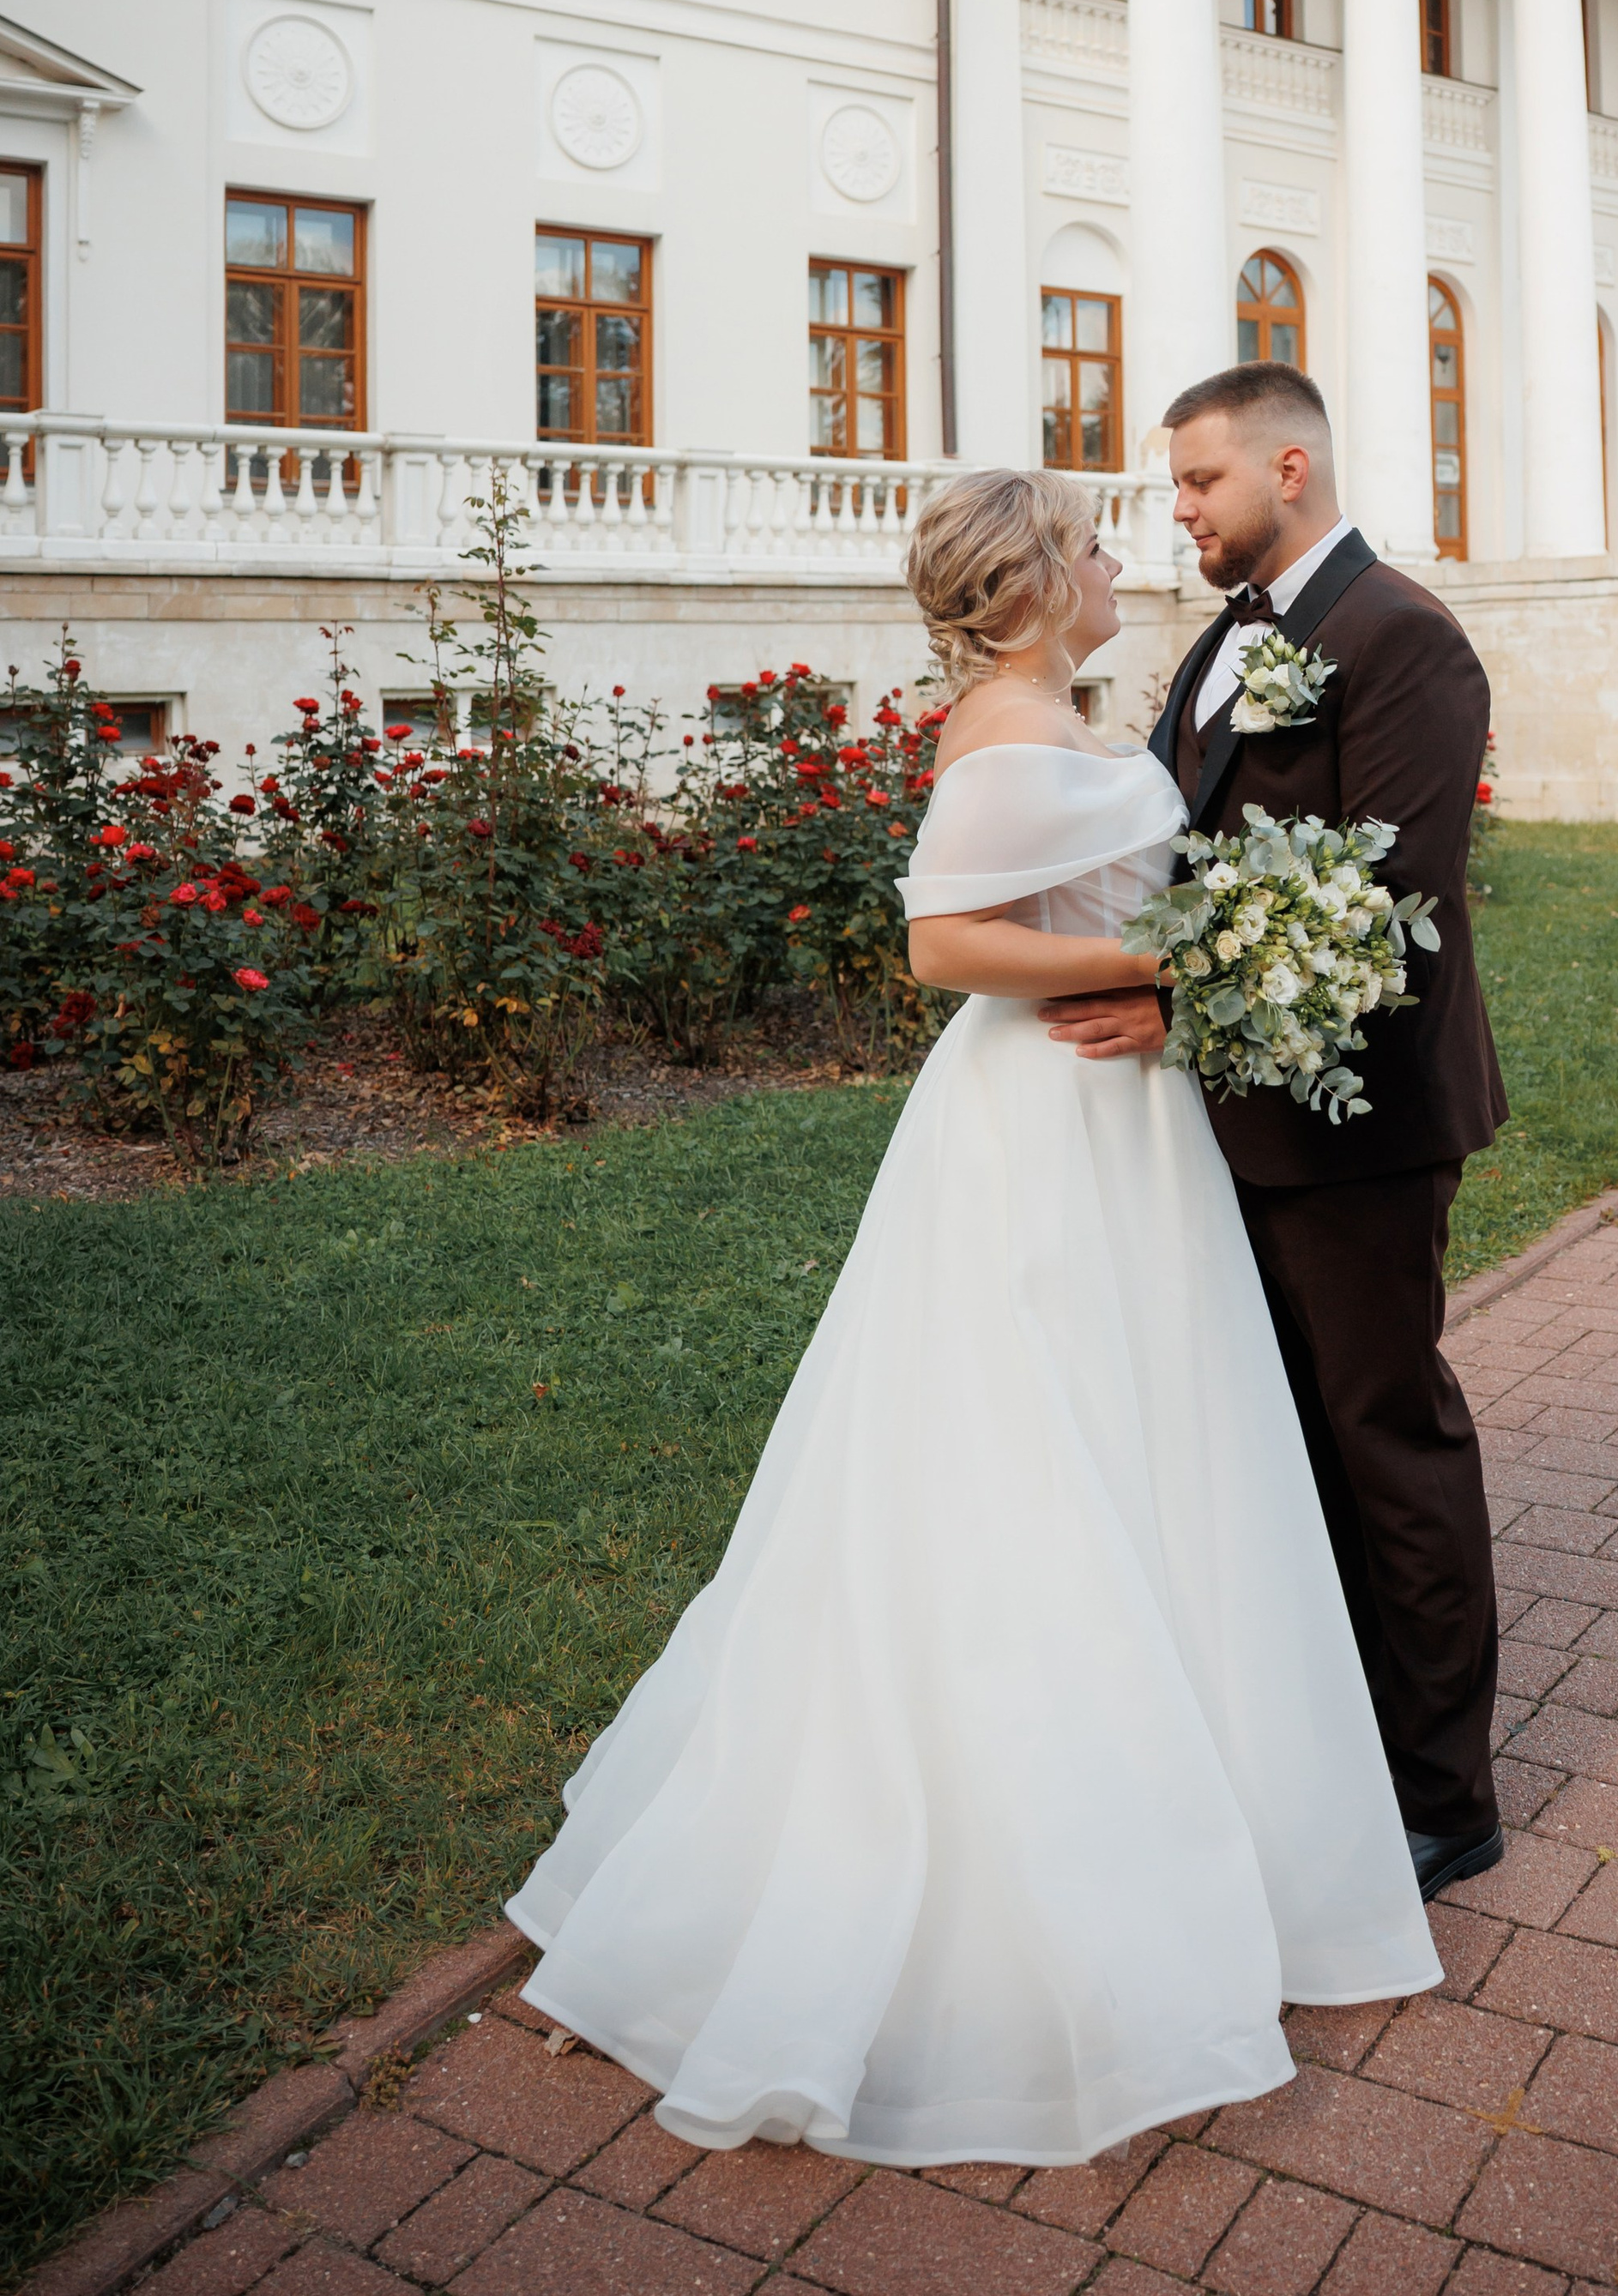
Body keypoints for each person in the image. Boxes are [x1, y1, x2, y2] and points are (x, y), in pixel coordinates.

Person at [505, 466, 1439, 2166]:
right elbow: (941, 941)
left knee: (1146, 1439)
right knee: (1041, 1450)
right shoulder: (1005, 732)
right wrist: (1155, 974)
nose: (1111, 560)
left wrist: (1201, 959)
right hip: (1045, 1128)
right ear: (1020, 583)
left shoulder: (1055, 710)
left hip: (1117, 1124)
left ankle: (1206, 1810)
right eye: (1085, 544)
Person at [1042, 364, 1508, 1895]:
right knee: (1289, 1441)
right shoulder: (1228, 640)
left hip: (1360, 1121)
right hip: (1235, 1127)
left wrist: (1184, 1016)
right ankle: (1337, 1744)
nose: (1175, 511)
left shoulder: (1403, 643)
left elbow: (1387, 919)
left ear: (1289, 468)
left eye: (1198, 484)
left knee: (1388, 1437)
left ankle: (1444, 1790)